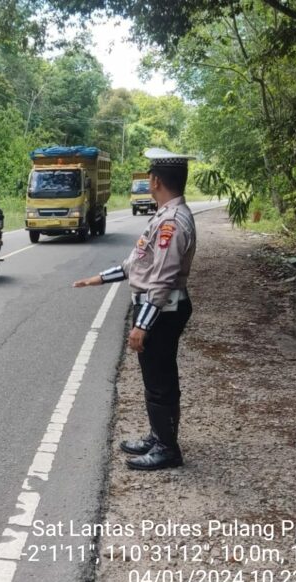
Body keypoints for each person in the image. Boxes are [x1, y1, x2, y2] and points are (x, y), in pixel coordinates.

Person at [73, 148, 197, 471]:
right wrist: (98, 279)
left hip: (163, 311)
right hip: (160, 309)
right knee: (155, 377)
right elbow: (136, 265)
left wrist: (141, 325)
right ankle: (159, 437)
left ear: (155, 181)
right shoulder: (164, 216)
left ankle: (167, 449)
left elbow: (162, 281)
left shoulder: (171, 222)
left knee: (160, 379)